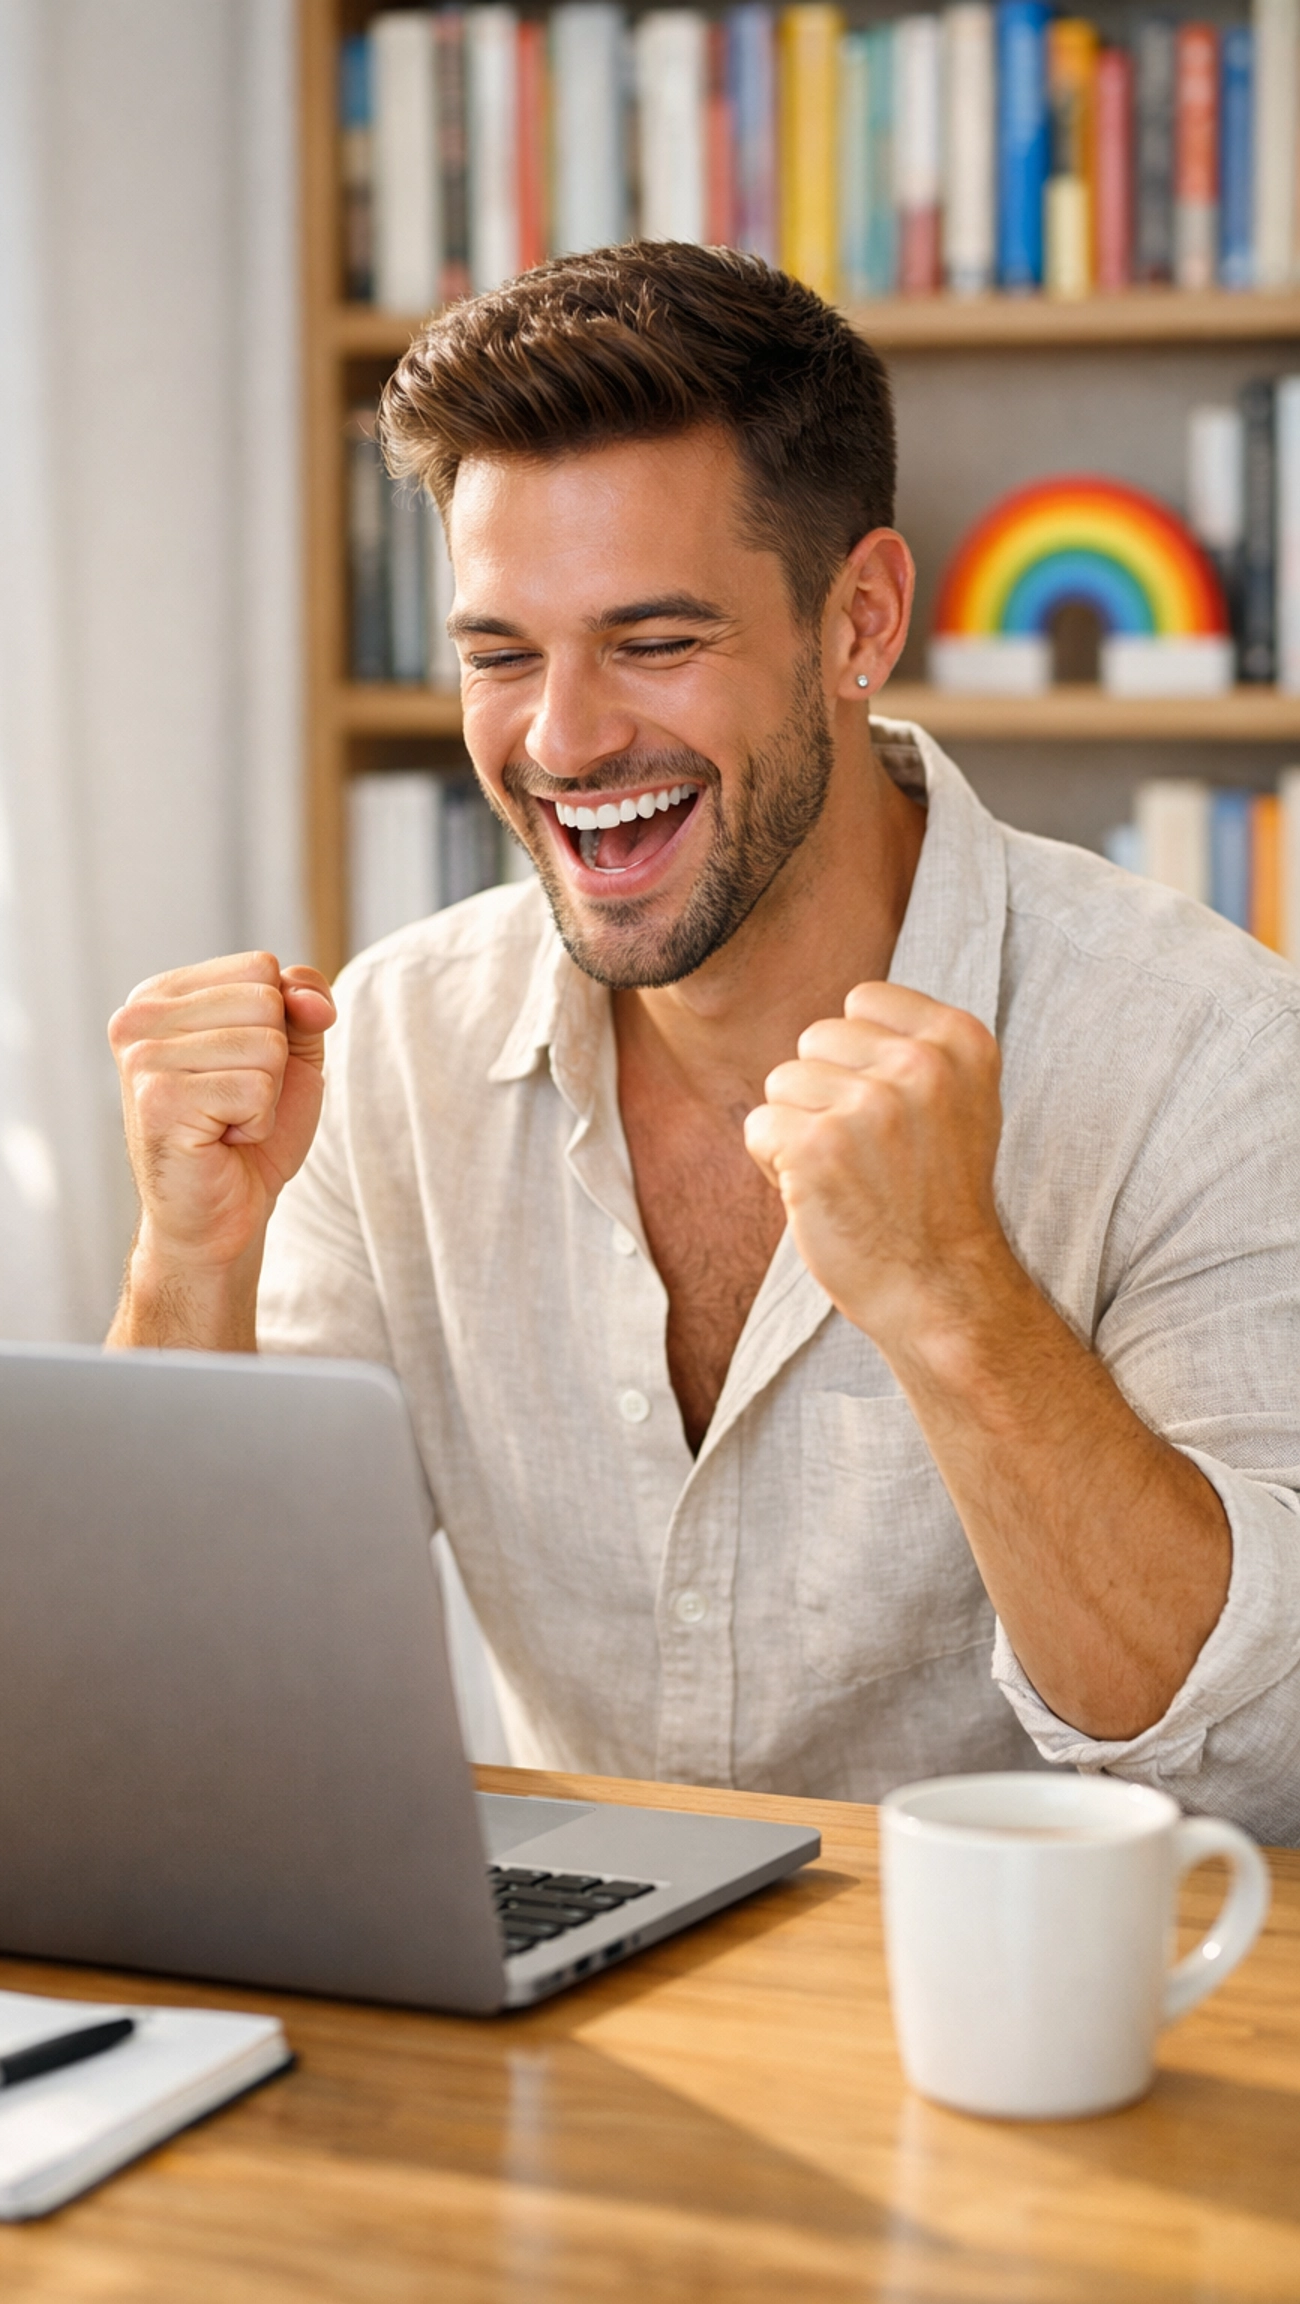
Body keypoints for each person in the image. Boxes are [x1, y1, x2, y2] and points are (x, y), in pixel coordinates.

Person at [107, 243, 1300, 1841]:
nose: (565, 738)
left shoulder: (1203, 1054)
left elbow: (1258, 1766)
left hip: (1045, 2029)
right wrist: (192, 1259)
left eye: (654, 642)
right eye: (499, 654)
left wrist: (954, 1293)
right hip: (574, 2027)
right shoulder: (389, 1057)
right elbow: (174, 1701)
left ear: (859, 617)